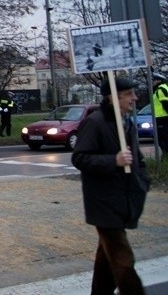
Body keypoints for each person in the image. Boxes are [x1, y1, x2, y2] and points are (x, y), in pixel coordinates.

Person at [72, 76, 149, 294]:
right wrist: (113, 161)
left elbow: (138, 160)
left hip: (123, 200)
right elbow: (80, 158)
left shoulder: (127, 121)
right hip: (104, 203)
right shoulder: (94, 122)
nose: (134, 98)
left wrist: (143, 181)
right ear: (113, 98)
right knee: (124, 262)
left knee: (106, 260)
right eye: (129, 94)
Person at [151, 72, 168, 156]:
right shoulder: (160, 89)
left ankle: (165, 157)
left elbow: (165, 103)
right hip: (160, 118)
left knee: (162, 139)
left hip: (163, 118)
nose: (152, 82)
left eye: (154, 80)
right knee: (161, 139)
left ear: (158, 80)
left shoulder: (161, 89)